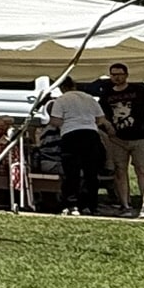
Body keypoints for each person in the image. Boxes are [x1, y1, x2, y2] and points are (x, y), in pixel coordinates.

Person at [98, 62, 144, 217]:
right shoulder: (106, 94)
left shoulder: (138, 90)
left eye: (119, 74)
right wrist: (107, 126)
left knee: (142, 170)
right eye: (113, 74)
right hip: (117, 140)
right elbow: (100, 116)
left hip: (140, 138)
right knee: (120, 171)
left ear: (126, 75)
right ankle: (125, 205)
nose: (117, 77)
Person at [51, 78, 106, 216]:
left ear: (62, 88)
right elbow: (101, 119)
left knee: (72, 171)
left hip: (71, 134)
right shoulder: (89, 98)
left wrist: (64, 124)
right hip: (91, 134)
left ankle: (72, 204)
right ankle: (90, 205)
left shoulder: (61, 100)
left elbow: (55, 120)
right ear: (74, 85)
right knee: (91, 172)